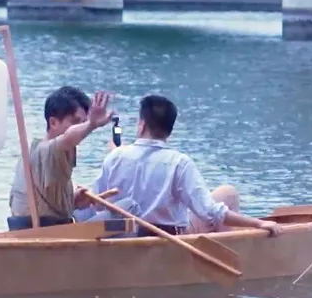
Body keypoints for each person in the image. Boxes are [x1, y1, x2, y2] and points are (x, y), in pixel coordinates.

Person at [88, 94, 283, 237]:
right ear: (170, 131)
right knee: (228, 193)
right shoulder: (179, 163)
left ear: (142, 124)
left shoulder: (115, 157)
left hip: (124, 235)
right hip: (169, 238)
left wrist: (117, 155)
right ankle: (232, 248)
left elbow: (97, 203)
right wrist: (258, 223)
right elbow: (210, 211)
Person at [7, 86, 116, 231]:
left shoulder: (35, 149)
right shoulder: (52, 148)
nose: (81, 127)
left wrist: (72, 200)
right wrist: (91, 125)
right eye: (76, 122)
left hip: (45, 225)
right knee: (128, 206)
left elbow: (45, 203)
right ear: (53, 122)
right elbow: (68, 137)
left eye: (84, 121)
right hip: (46, 231)